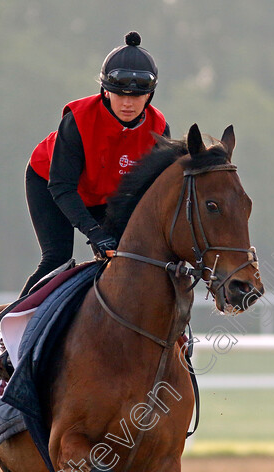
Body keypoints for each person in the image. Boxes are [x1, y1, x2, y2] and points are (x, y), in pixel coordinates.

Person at [20, 31, 170, 296]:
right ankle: (13, 330)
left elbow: (151, 196)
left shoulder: (159, 129)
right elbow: (62, 187)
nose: (127, 103)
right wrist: (94, 232)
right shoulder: (77, 120)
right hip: (51, 182)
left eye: (136, 96)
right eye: (119, 94)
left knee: (129, 256)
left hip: (105, 195)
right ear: (104, 91)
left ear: (149, 96)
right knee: (58, 259)